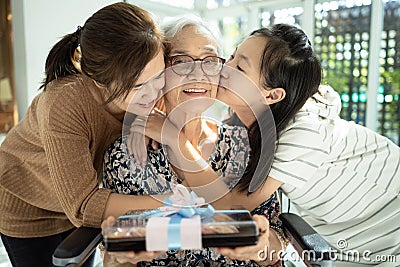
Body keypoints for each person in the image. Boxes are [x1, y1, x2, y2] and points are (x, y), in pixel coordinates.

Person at [101, 15, 285, 267]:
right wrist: (118, 257)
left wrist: (262, 246)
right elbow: (113, 257)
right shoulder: (125, 155)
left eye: (210, 61)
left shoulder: (247, 148)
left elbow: (274, 245)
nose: (197, 73)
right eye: (181, 61)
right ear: (160, 73)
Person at [214, 24, 400, 266]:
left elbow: (235, 205)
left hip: (388, 229)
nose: (224, 68)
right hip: (350, 240)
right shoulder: (249, 122)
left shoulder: (303, 130)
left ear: (272, 95)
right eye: (232, 56)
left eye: (239, 67)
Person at [0, 3, 167, 266]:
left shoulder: (142, 95)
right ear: (99, 81)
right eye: (140, 86)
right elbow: (84, 206)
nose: (155, 93)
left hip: (76, 200)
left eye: (160, 78)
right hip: (27, 207)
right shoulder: (64, 102)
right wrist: (168, 204)